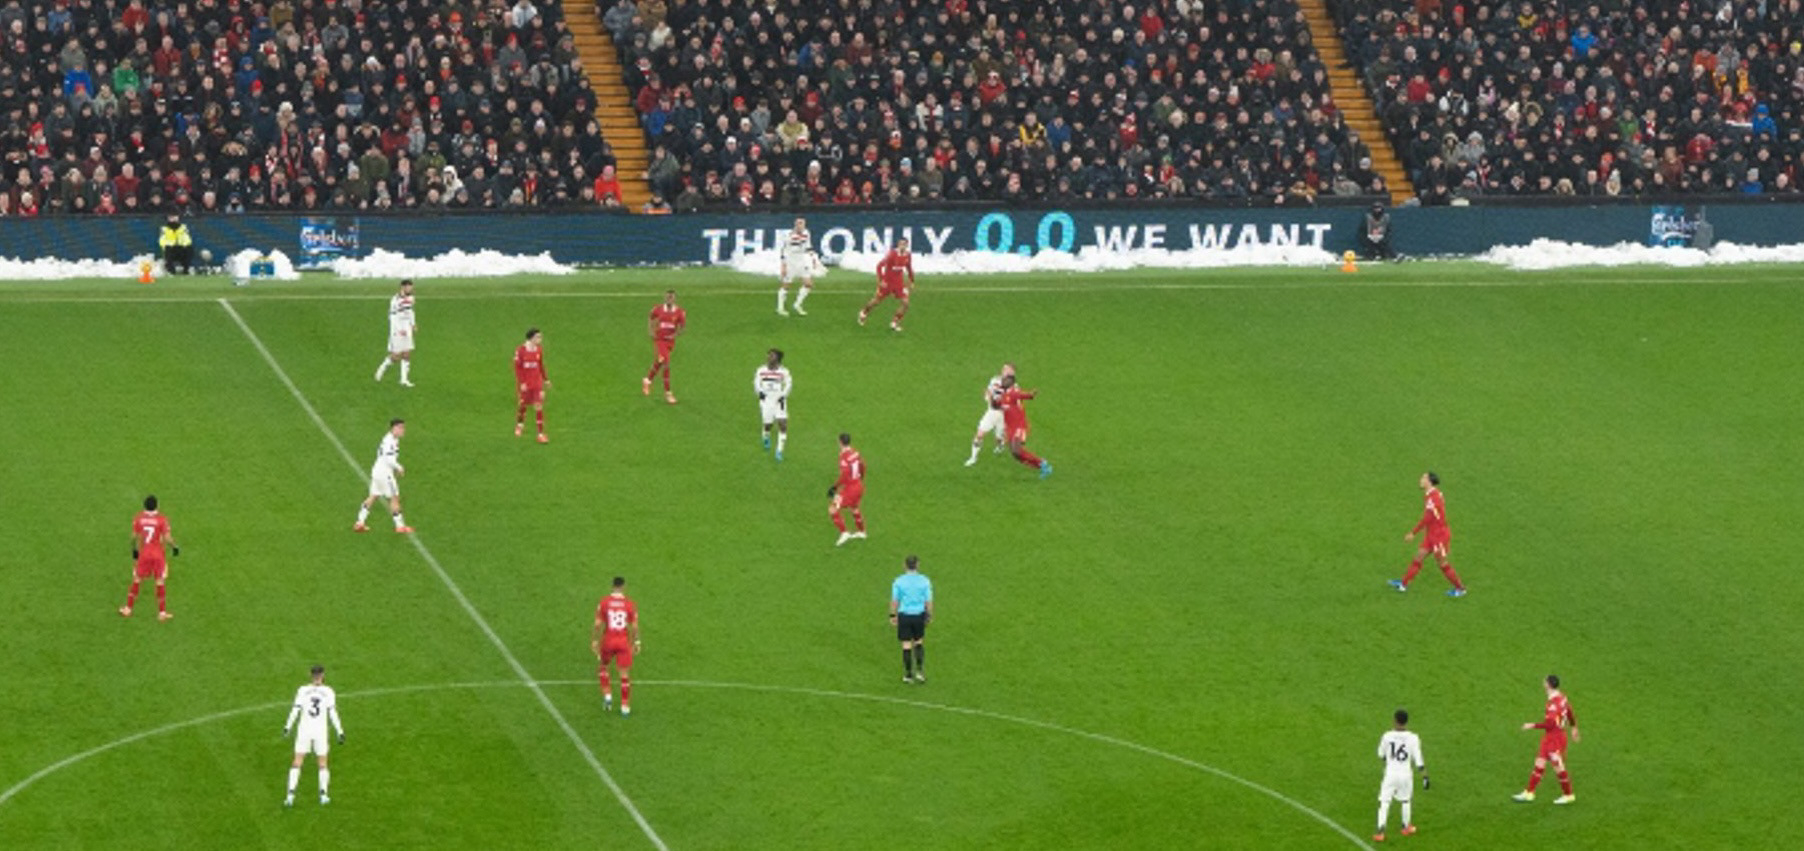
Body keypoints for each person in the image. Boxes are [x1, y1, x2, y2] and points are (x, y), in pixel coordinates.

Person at [1389, 472, 1466, 596]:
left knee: (1442, 563)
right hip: (1431, 534)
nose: (1420, 480)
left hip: (1439, 536)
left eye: (1423, 478)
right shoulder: (1434, 494)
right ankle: (1403, 584)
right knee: (1419, 556)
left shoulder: (1433, 499)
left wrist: (1413, 533)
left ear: (1429, 482)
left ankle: (1460, 589)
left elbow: (1427, 519)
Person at [282, 665, 344, 807]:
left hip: (304, 730)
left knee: (297, 761)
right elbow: (332, 713)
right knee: (322, 763)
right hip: (320, 731)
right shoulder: (328, 691)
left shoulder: (302, 690)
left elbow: (295, 710)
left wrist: (287, 727)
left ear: (311, 675)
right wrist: (340, 731)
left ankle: (290, 796)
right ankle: (323, 795)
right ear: (323, 675)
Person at [1513, 675, 1579, 805]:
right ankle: (1529, 793)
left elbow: (1550, 725)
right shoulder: (1562, 697)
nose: (1543, 683)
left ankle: (1568, 795)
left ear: (1548, 685)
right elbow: (1569, 711)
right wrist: (1573, 727)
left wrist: (1532, 725)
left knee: (1558, 767)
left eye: (1545, 681)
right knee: (1539, 762)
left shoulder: (1553, 705)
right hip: (1550, 737)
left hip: (1555, 738)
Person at [119, 495, 179, 620]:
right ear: (157, 506)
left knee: (137, 579)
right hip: (158, 555)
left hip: (144, 554)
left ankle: (128, 609)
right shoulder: (162, 519)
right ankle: (162, 613)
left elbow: (134, 537)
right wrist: (174, 547)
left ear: (144, 506)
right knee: (160, 581)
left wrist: (134, 549)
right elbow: (167, 538)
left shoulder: (139, 518)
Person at [1375, 709, 1428, 842]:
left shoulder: (1387, 736)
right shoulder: (1413, 738)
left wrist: (1389, 761)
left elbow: (1380, 754)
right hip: (1405, 774)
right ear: (1406, 722)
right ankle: (1405, 827)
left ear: (1394, 720)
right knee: (1406, 800)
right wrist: (1425, 777)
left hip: (1391, 773)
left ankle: (1380, 832)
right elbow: (1418, 760)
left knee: (1384, 801)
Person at [591, 576, 642, 716]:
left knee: (603, 666)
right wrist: (637, 642)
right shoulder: (629, 604)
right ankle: (625, 706)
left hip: (608, 640)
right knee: (624, 675)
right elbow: (634, 626)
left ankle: (607, 695)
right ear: (623, 587)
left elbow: (597, 624)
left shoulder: (604, 602)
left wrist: (595, 640)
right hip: (623, 642)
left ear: (612, 586)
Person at [354, 419, 412, 533]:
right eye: (400, 427)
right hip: (385, 474)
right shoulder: (390, 441)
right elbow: (388, 458)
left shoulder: (391, 439)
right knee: (394, 497)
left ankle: (360, 522)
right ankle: (400, 526)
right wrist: (399, 467)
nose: (403, 430)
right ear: (394, 428)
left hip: (378, 471)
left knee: (373, 496)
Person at [889, 555, 933, 684]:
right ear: (917, 565)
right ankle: (919, 672)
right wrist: (929, 615)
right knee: (918, 642)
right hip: (919, 615)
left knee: (906, 645)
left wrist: (892, 615)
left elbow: (895, 601)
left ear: (905, 565)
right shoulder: (924, 581)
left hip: (904, 615)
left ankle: (908, 675)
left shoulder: (899, 581)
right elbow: (929, 601)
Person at [999, 375, 1053, 478]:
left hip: (1018, 426)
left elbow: (1022, 395)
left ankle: (1043, 463)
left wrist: (1030, 394)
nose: (1003, 381)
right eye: (1002, 380)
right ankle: (1042, 466)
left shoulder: (1013, 393)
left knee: (1016, 450)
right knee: (1016, 455)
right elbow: (997, 406)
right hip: (1010, 428)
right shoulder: (1003, 396)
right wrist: (992, 399)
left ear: (1011, 382)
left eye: (1005, 380)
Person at [858, 237, 914, 332]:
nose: (902, 246)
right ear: (898, 245)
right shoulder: (892, 254)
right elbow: (879, 266)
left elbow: (909, 268)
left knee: (905, 303)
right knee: (876, 301)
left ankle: (894, 323)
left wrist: (912, 281)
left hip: (899, 284)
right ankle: (863, 313)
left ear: (907, 245)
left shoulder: (908, 255)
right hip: (887, 283)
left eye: (904, 244)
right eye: (901, 244)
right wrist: (881, 280)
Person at [965, 363, 1015, 466]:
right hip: (992, 413)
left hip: (1004, 416)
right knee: (979, 434)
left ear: (1012, 373)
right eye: (1004, 369)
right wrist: (988, 396)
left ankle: (1000, 444)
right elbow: (988, 392)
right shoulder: (995, 380)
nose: (1004, 371)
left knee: (998, 437)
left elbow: (1014, 403)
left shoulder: (1014, 387)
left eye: (1008, 370)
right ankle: (973, 458)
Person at [643, 290, 685, 404]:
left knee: (660, 361)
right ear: (665, 298)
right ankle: (668, 393)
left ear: (674, 299)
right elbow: (651, 317)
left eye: (671, 298)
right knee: (666, 363)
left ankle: (647, 380)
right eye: (667, 297)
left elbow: (682, 327)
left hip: (670, 342)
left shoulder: (680, 312)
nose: (669, 299)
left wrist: (675, 335)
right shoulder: (658, 309)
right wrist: (651, 331)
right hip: (660, 340)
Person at [374, 279, 416, 387]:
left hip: (406, 328)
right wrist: (399, 329)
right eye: (409, 287)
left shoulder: (411, 298)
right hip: (397, 329)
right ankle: (382, 368)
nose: (411, 289)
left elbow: (410, 311)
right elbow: (392, 316)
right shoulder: (395, 300)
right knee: (396, 356)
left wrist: (413, 324)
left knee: (407, 353)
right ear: (403, 287)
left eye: (411, 287)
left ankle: (404, 380)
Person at [829, 432, 867, 546]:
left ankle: (844, 533)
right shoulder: (855, 453)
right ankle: (862, 532)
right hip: (859, 485)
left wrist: (835, 486)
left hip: (851, 489)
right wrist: (861, 478)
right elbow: (863, 466)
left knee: (833, 509)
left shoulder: (843, 457)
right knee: (854, 508)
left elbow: (844, 475)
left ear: (840, 442)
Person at [755, 348, 792, 460]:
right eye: (769, 355)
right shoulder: (761, 370)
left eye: (772, 355)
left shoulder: (784, 372)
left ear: (778, 359)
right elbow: (757, 383)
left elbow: (788, 384)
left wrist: (783, 395)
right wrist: (760, 392)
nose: (769, 357)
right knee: (768, 424)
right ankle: (766, 435)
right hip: (767, 401)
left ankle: (779, 451)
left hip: (779, 401)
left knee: (783, 424)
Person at [514, 327, 550, 443]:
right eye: (538, 337)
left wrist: (546, 379)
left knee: (538, 406)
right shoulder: (520, 351)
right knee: (523, 405)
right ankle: (520, 425)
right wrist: (522, 382)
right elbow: (517, 368)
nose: (540, 339)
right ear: (531, 338)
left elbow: (541, 365)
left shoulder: (539, 350)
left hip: (537, 383)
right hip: (526, 383)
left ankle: (540, 434)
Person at [778, 217, 818, 316]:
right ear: (795, 225)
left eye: (802, 223)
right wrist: (783, 266)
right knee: (786, 285)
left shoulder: (807, 233)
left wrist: (813, 259)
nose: (801, 226)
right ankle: (780, 308)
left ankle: (797, 305)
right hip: (791, 261)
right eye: (799, 223)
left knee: (808, 284)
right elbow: (783, 251)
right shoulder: (789, 235)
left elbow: (808, 246)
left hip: (802, 261)